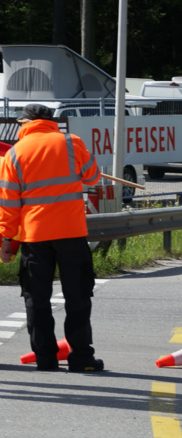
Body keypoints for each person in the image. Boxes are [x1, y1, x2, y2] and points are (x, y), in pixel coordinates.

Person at [0, 104, 103, 372]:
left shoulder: (14, 153)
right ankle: (81, 358)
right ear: (50, 122)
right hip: (71, 233)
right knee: (78, 297)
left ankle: (45, 358)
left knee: (36, 298)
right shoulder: (71, 142)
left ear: (27, 124)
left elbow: (8, 205)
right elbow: (93, 176)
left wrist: (6, 241)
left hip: (35, 236)